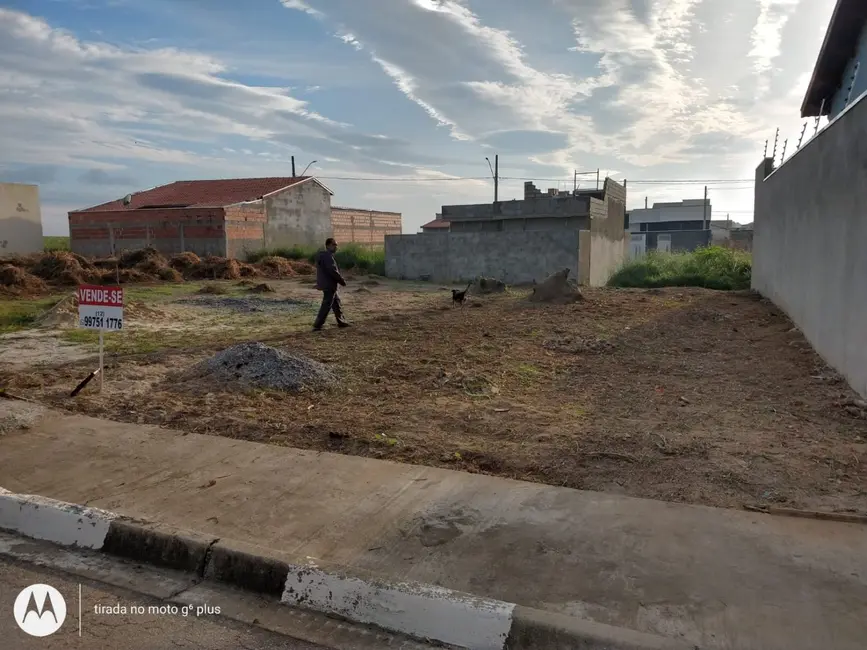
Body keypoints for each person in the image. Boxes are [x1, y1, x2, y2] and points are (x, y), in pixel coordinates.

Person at [313, 238, 350, 331]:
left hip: (328, 284)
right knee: (326, 305)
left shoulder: (323, 256)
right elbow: (332, 271)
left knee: (336, 303)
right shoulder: (328, 257)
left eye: (336, 245)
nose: (336, 247)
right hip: (329, 285)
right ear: (328, 245)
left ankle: (341, 321)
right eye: (334, 245)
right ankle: (318, 324)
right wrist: (341, 281)